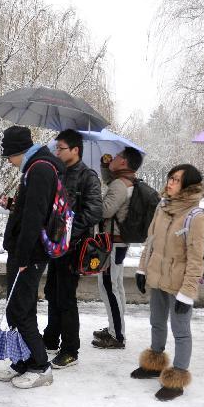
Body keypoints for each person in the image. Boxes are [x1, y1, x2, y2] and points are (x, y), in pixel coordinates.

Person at [0, 126, 63, 389]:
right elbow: (30, 209)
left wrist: (23, 255)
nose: (8, 161)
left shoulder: (40, 169)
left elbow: (35, 218)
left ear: (18, 151)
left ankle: (41, 366)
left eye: (8, 156)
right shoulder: (34, 168)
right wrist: (12, 203)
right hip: (25, 252)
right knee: (15, 308)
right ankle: (22, 360)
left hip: (30, 254)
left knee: (22, 310)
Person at [132, 164, 204, 402]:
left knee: (181, 330)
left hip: (179, 284)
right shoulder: (162, 207)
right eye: (170, 178)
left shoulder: (196, 217)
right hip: (158, 278)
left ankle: (177, 377)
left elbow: (196, 260)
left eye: (176, 180)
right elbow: (151, 242)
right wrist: (142, 269)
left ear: (187, 186)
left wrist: (188, 293)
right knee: (156, 321)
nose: (170, 182)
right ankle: (154, 362)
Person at [43, 128, 102, 368]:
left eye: (61, 148)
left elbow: (95, 211)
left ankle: (70, 349)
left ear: (75, 150)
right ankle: (50, 338)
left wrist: (68, 230)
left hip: (73, 246)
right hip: (55, 245)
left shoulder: (88, 176)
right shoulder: (57, 172)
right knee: (52, 292)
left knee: (66, 297)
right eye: (56, 148)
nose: (57, 151)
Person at [93, 146, 144, 350]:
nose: (112, 157)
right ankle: (117, 328)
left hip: (112, 243)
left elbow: (105, 210)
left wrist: (91, 196)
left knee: (108, 287)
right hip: (121, 241)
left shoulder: (119, 185)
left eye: (117, 156)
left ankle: (117, 335)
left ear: (123, 162)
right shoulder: (128, 181)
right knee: (116, 287)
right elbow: (112, 186)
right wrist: (105, 167)